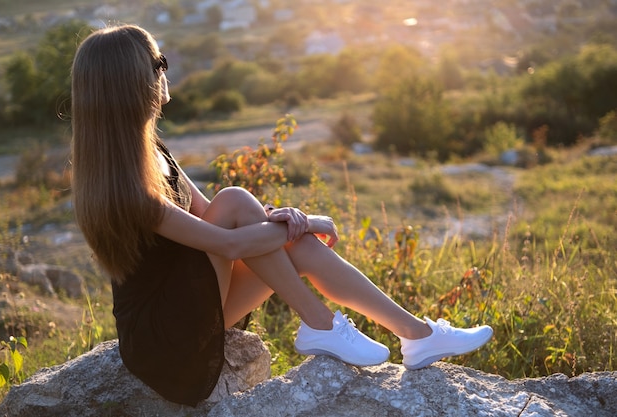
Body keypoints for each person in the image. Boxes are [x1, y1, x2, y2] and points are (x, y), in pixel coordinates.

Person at [70, 24, 493, 407]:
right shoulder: (125, 189)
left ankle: (415, 335)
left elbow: (210, 217)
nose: (165, 70)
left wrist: (291, 223)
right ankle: (323, 325)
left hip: (195, 303)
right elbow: (230, 241)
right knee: (239, 202)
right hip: (164, 341)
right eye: (157, 62)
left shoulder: (155, 156)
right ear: (128, 83)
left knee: (263, 222)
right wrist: (302, 223)